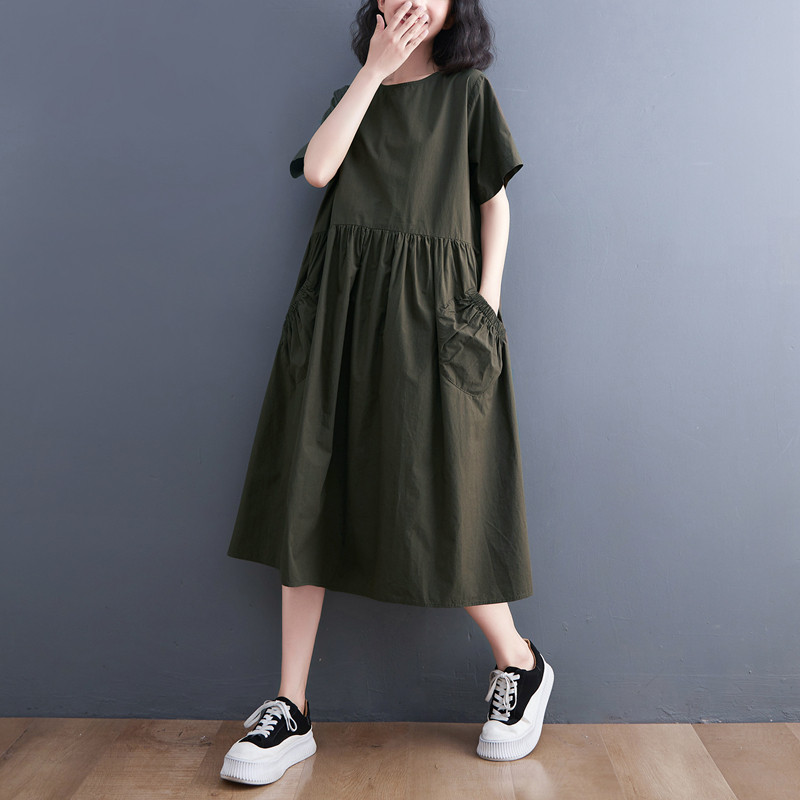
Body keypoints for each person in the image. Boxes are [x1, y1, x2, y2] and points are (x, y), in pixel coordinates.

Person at [220, 0, 554, 786]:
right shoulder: (354, 94)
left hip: (434, 318)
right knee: (310, 493)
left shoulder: (467, 94)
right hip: (338, 313)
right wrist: (373, 70)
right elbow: (320, 170)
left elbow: (494, 204)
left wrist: (485, 307)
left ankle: (521, 662)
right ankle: (291, 707)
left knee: (438, 493)